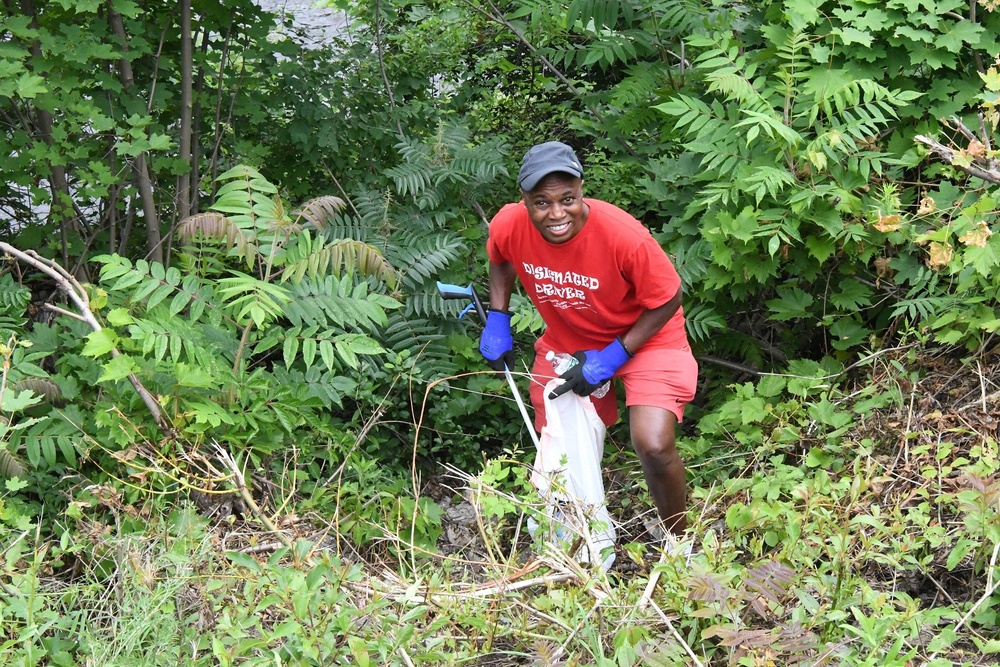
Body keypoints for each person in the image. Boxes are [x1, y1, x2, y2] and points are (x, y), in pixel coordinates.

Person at [478, 140, 698, 540]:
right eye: (542, 202)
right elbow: (501, 257)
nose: (557, 213)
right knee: (559, 449)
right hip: (569, 338)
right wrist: (498, 315)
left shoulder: (622, 235)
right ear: (524, 199)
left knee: (653, 444)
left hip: (648, 337)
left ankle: (678, 542)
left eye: (568, 199)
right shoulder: (509, 224)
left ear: (582, 189)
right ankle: (578, 542)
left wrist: (612, 357)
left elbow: (668, 298)